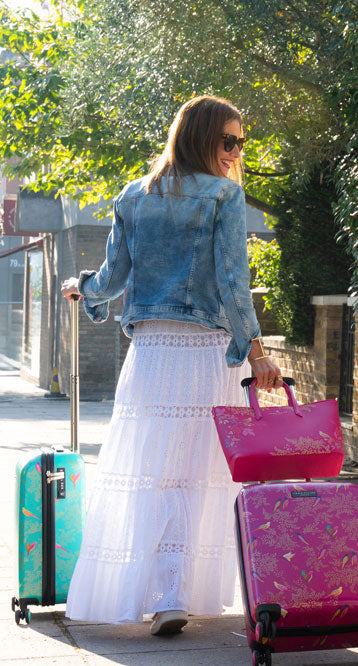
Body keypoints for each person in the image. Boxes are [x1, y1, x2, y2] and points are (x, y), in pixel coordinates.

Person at [60, 95, 282, 635]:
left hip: (152, 355)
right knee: (195, 476)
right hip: (206, 352)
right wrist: (256, 351)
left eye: (241, 142)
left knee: (156, 474)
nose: (236, 152)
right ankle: (174, 592)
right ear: (202, 137)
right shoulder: (224, 197)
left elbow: (113, 277)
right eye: (229, 140)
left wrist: (82, 290)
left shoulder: (134, 195)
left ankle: (165, 595)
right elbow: (233, 284)